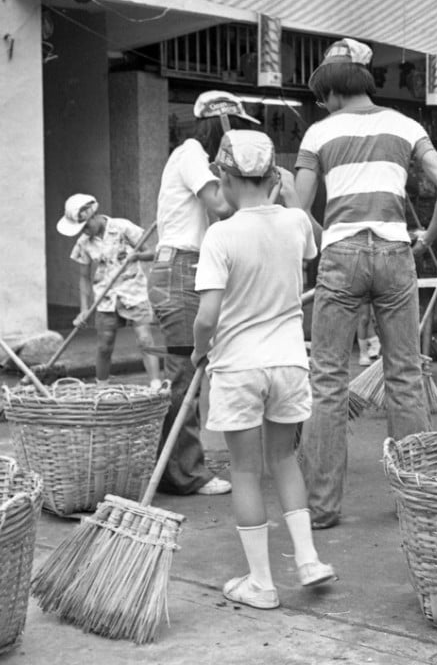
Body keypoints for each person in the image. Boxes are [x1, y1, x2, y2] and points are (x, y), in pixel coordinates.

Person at [293, 38, 437, 529]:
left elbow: (297, 212)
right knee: (405, 376)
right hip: (394, 251)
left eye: (322, 95)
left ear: (329, 90)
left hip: (341, 254)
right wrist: (425, 237)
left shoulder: (318, 134)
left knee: (327, 381)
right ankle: (417, 499)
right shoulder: (406, 126)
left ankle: (321, 508)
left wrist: (331, 237)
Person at [192, 129, 335, 609]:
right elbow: (313, 245)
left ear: (226, 177)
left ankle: (262, 583)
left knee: (246, 470)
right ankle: (309, 559)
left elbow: (207, 316)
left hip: (238, 366)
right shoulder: (295, 223)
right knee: (284, 460)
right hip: (290, 362)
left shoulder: (220, 234)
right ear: (274, 175)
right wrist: (291, 198)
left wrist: (199, 350)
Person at [149, 90, 259, 496]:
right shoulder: (192, 151)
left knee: (188, 376)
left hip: (181, 269)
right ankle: (185, 475)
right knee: (186, 377)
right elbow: (219, 204)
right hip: (180, 271)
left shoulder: (192, 158)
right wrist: (254, 190)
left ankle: (176, 467)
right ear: (223, 125)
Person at [58, 194, 162, 390]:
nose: (85, 231)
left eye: (86, 226)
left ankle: (155, 385)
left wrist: (137, 256)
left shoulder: (122, 228)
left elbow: (153, 252)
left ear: (93, 215)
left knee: (145, 339)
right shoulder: (83, 242)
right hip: (105, 299)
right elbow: (83, 277)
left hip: (133, 292)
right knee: (105, 345)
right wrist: (83, 309)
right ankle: (102, 388)